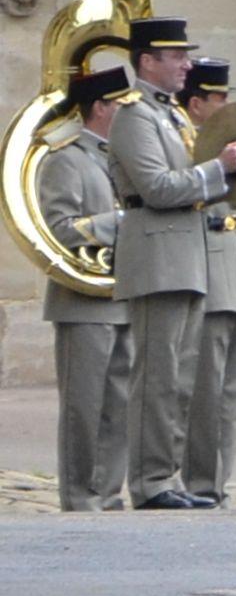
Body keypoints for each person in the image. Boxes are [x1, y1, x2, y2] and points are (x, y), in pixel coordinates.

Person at [105, 17, 236, 508]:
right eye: (177, 56)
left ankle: (169, 476)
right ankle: (151, 481)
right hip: (158, 253)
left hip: (186, 253)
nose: (187, 65)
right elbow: (158, 187)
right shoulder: (135, 115)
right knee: (158, 377)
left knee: (182, 380)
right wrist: (218, 168)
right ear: (147, 61)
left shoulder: (170, 114)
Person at [38, 58, 134, 511]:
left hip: (124, 292)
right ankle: (80, 496)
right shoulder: (67, 159)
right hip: (82, 301)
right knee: (85, 406)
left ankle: (108, 493)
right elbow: (58, 228)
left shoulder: (119, 157)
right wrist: (121, 222)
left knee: (118, 404)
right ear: (100, 107)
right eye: (121, 105)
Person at [177, 54, 236, 505]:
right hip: (208, 266)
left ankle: (218, 481)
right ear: (196, 104)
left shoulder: (229, 147)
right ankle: (201, 482)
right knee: (205, 389)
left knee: (231, 392)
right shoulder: (189, 144)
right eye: (218, 99)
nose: (226, 107)